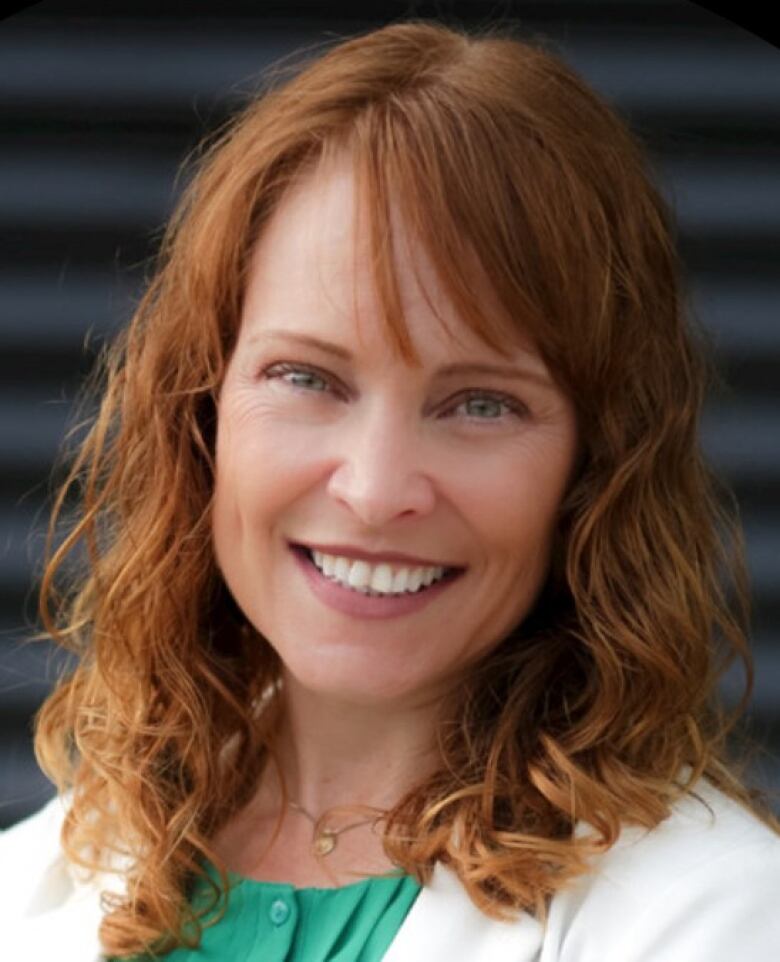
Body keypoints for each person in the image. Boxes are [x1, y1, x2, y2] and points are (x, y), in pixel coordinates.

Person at [2, 18, 779, 962]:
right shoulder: (29, 882)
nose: (374, 492)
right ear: (201, 412)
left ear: (597, 462)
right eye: (308, 378)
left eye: (481, 404)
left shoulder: (721, 916)